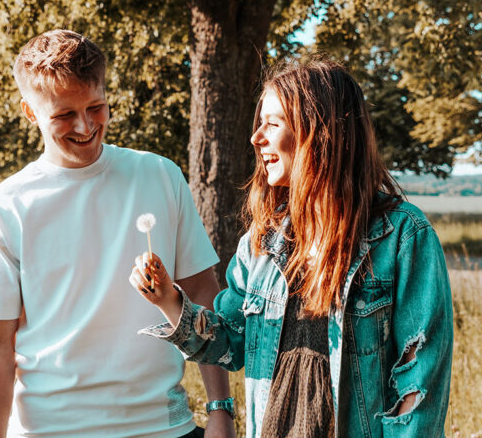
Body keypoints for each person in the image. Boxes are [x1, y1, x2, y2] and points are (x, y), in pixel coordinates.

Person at [130, 59, 454, 437]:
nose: (256, 137)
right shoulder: (262, 242)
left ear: (318, 132)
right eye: (259, 123)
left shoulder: (402, 236)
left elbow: (420, 388)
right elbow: (231, 343)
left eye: (273, 123)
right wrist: (169, 299)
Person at [0, 29, 236, 437]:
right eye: (63, 114)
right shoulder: (3, 209)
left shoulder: (160, 175)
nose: (85, 126)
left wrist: (220, 410)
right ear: (29, 112)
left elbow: (200, 290)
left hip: (164, 428)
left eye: (96, 107)